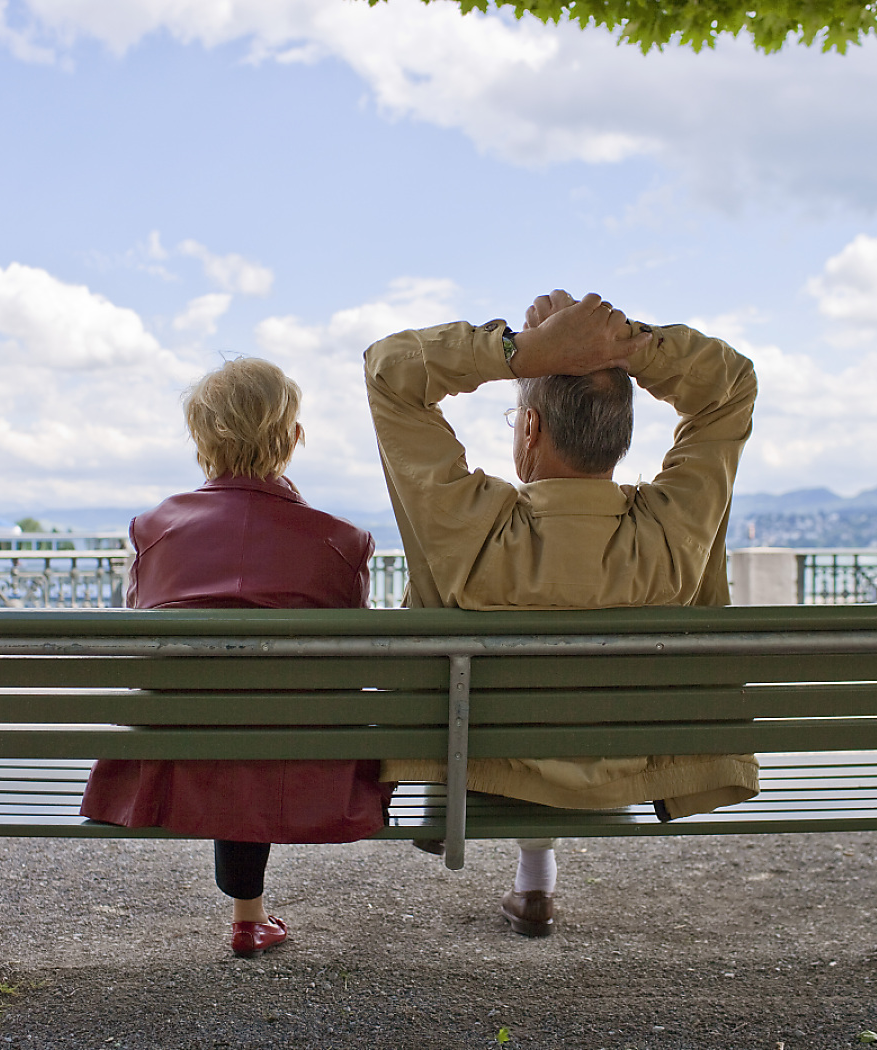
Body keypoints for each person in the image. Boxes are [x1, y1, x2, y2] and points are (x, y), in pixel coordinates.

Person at [364, 289, 759, 937]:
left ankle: (510, 850)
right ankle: (536, 881)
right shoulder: (668, 535)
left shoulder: (471, 530)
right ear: (620, 436)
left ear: (529, 430)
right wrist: (628, 343)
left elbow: (388, 370)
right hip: (621, 768)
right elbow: (730, 384)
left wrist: (522, 353)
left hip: (479, 762)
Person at [81, 357, 389, 958]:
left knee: (223, 716)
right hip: (303, 764)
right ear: (294, 437)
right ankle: (250, 916)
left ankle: (248, 912)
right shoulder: (343, 542)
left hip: (177, 760)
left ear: (200, 437)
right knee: (260, 722)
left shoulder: (153, 529)